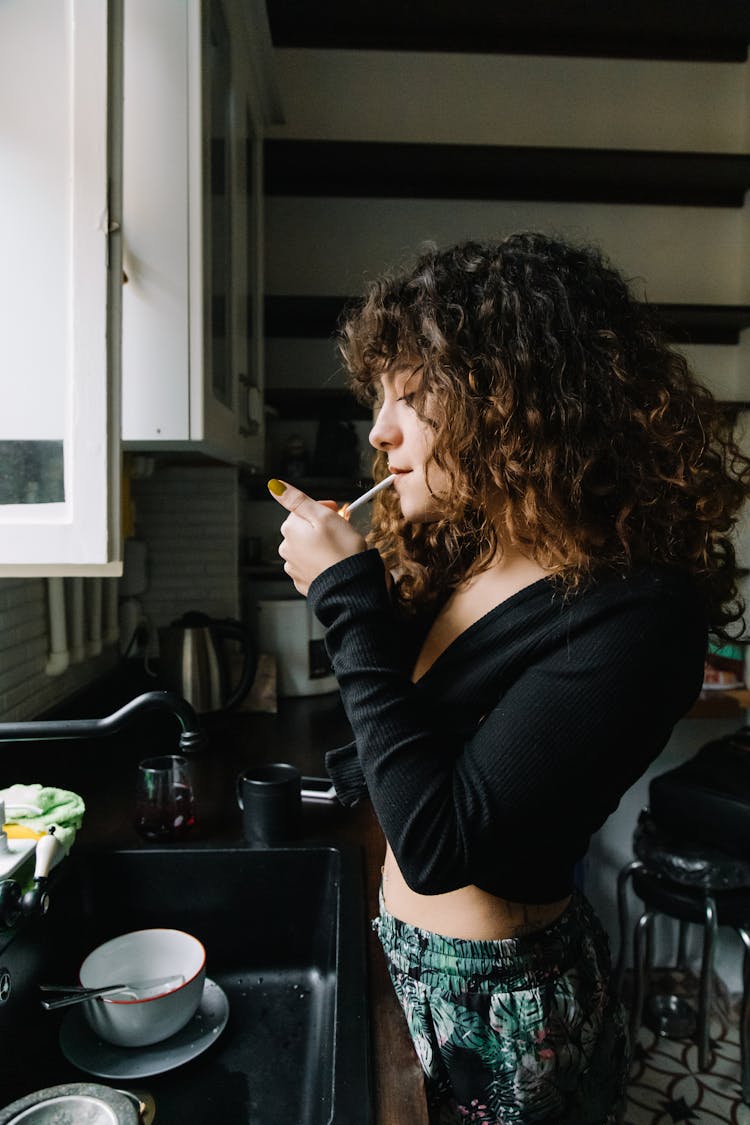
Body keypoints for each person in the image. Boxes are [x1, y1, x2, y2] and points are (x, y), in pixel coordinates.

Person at [267, 231, 750, 1125]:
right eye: (381, 397)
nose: (380, 430)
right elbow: (406, 743)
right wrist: (362, 590)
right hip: (406, 961)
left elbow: (442, 841)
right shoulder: (469, 552)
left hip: (503, 1012)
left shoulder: (640, 613)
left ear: (511, 403)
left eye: (411, 396)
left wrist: (344, 601)